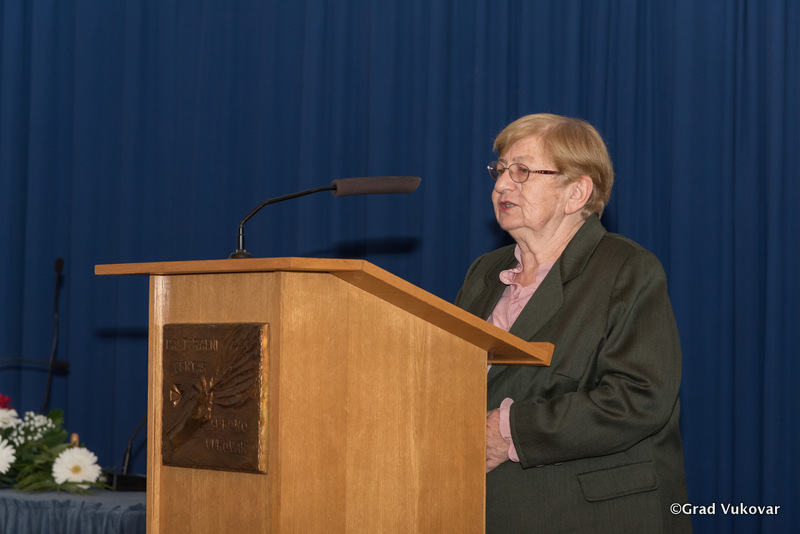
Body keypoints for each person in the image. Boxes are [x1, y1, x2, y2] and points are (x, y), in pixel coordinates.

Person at [455, 113, 692, 533]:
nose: (502, 185)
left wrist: (508, 430)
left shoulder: (626, 269)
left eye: (522, 171)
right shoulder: (485, 272)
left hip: (587, 515)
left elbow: (639, 398)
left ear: (576, 192)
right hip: (483, 511)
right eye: (500, 170)